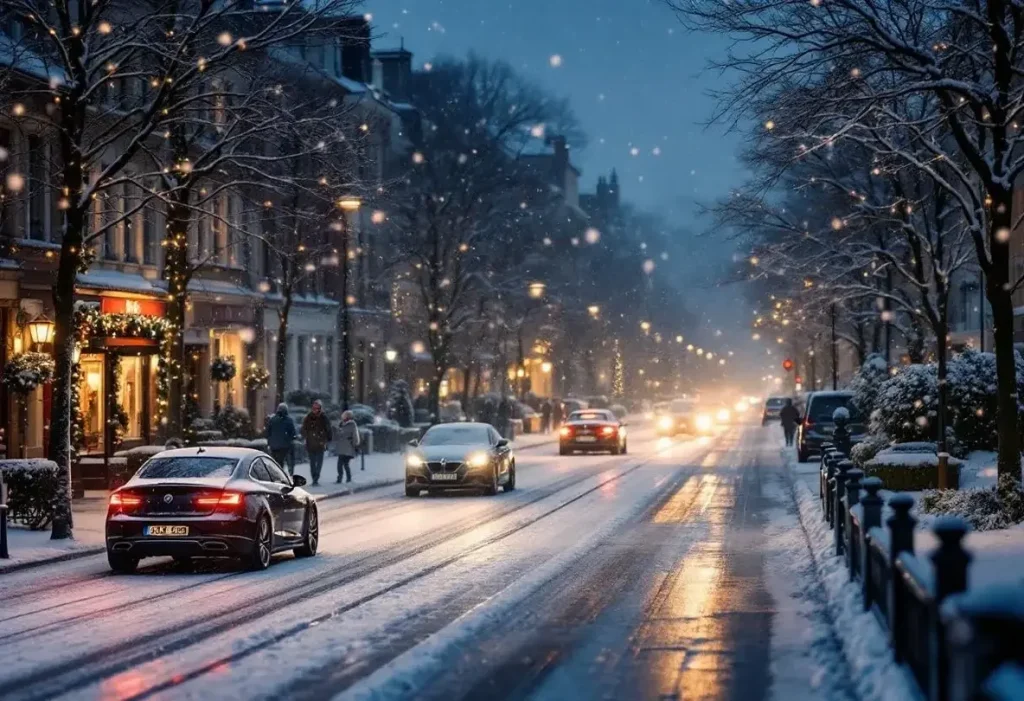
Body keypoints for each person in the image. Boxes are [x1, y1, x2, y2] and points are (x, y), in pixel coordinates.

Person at [301, 400, 332, 486]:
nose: (315, 410)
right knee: (313, 462)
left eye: (317, 408)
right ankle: (314, 477)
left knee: (318, 462)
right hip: (311, 443)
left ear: (320, 409)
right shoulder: (308, 417)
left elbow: (328, 429)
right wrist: (306, 435)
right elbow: (303, 429)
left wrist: (328, 438)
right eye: (314, 408)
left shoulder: (323, 418)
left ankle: (316, 477)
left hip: (320, 443)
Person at [265, 402, 297, 473]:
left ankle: (277, 474)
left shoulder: (272, 420)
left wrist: (270, 442)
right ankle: (289, 473)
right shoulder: (289, 420)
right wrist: (292, 438)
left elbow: (267, 432)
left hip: (274, 446)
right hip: (285, 446)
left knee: (277, 462)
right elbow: (293, 433)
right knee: (288, 460)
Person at [336, 410, 360, 483]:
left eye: (345, 416)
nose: (343, 417)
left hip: (348, 447)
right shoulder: (341, 424)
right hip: (341, 447)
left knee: (345, 464)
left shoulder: (352, 424)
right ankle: (340, 478)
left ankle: (348, 478)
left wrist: (355, 444)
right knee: (340, 464)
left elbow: (355, 435)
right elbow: (338, 434)